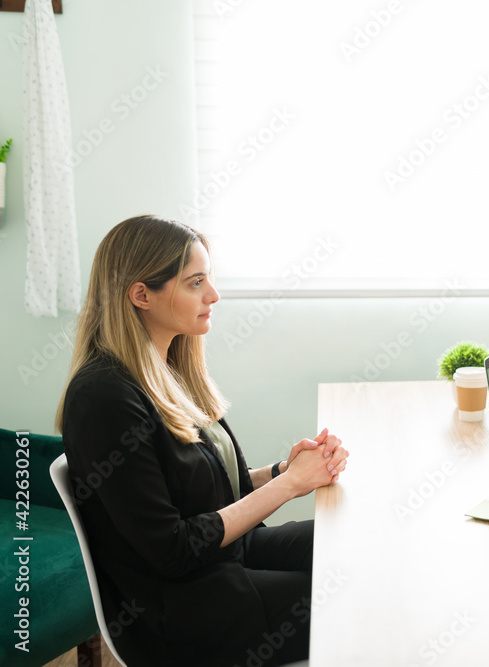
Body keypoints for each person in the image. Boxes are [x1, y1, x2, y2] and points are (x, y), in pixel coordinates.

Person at [56, 215, 349, 666]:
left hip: (230, 557)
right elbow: (172, 548)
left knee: (362, 542)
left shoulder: (169, 368)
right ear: (141, 295)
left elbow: (202, 490)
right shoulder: (104, 399)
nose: (213, 295)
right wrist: (287, 487)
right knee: (358, 591)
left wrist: (281, 472)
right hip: (187, 608)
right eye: (196, 283)